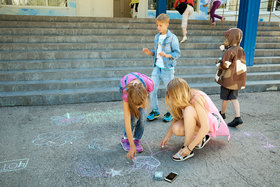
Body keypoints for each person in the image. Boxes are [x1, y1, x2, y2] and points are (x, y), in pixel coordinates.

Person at [160, 78, 230, 161]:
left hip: (211, 123)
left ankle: (187, 148)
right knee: (176, 128)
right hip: (200, 123)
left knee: (188, 109)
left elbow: (205, 127)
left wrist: (189, 148)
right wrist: (167, 136)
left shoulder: (196, 98)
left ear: (179, 94)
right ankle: (202, 137)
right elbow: (177, 117)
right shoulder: (183, 96)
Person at [142, 13, 181, 122]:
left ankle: (171, 112)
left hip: (167, 69)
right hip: (157, 67)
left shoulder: (172, 38)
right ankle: (155, 111)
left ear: (167, 24)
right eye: (157, 25)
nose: (158, 27)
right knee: (152, 89)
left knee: (169, 92)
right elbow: (156, 53)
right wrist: (149, 52)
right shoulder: (157, 37)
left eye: (161, 25)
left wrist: (167, 55)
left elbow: (177, 53)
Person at [215, 28, 247, 127]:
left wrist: (218, 63)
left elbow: (225, 65)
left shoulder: (230, 51)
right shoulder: (241, 50)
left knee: (225, 97)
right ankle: (238, 117)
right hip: (237, 80)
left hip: (228, 79)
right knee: (234, 98)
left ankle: (222, 114)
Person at [120, 72, 154, 160]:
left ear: (146, 95)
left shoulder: (150, 85)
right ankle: (125, 139)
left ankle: (136, 139)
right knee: (131, 117)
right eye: (136, 105)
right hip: (126, 84)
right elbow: (126, 120)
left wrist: (140, 107)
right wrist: (131, 146)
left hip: (142, 86)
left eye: (139, 104)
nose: (138, 107)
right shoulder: (126, 94)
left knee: (142, 116)